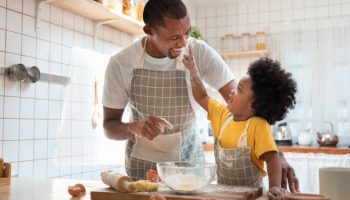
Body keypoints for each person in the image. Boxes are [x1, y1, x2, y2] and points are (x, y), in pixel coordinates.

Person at [102, 0, 299, 192]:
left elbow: (251, 104)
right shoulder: (121, 63)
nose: (183, 43)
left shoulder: (200, 52)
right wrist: (134, 127)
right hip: (141, 173)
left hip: (190, 173)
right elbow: (109, 127)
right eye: (173, 37)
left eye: (186, 33)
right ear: (149, 31)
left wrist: (273, 153)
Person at [182, 50, 296, 197]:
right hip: (223, 195)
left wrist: (275, 188)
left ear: (252, 106)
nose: (232, 92)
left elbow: (272, 157)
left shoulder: (258, 125)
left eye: (239, 90)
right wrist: (193, 70)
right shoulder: (222, 114)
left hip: (251, 196)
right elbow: (201, 96)